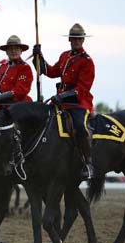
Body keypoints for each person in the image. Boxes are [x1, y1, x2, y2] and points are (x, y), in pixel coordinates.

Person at [33, 23, 95, 179]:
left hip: (78, 102)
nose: (75, 41)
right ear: (69, 39)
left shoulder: (87, 61)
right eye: (73, 38)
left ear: (83, 40)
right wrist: (38, 58)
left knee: (80, 125)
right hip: (60, 101)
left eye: (78, 38)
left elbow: (82, 88)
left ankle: (88, 162)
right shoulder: (65, 56)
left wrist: (63, 96)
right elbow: (51, 72)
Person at [0, 35, 33, 106]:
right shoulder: (3, 67)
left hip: (18, 105)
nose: (13, 51)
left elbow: (20, 90)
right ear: (6, 52)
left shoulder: (25, 68)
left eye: (16, 49)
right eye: (10, 49)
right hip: (2, 104)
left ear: (21, 51)